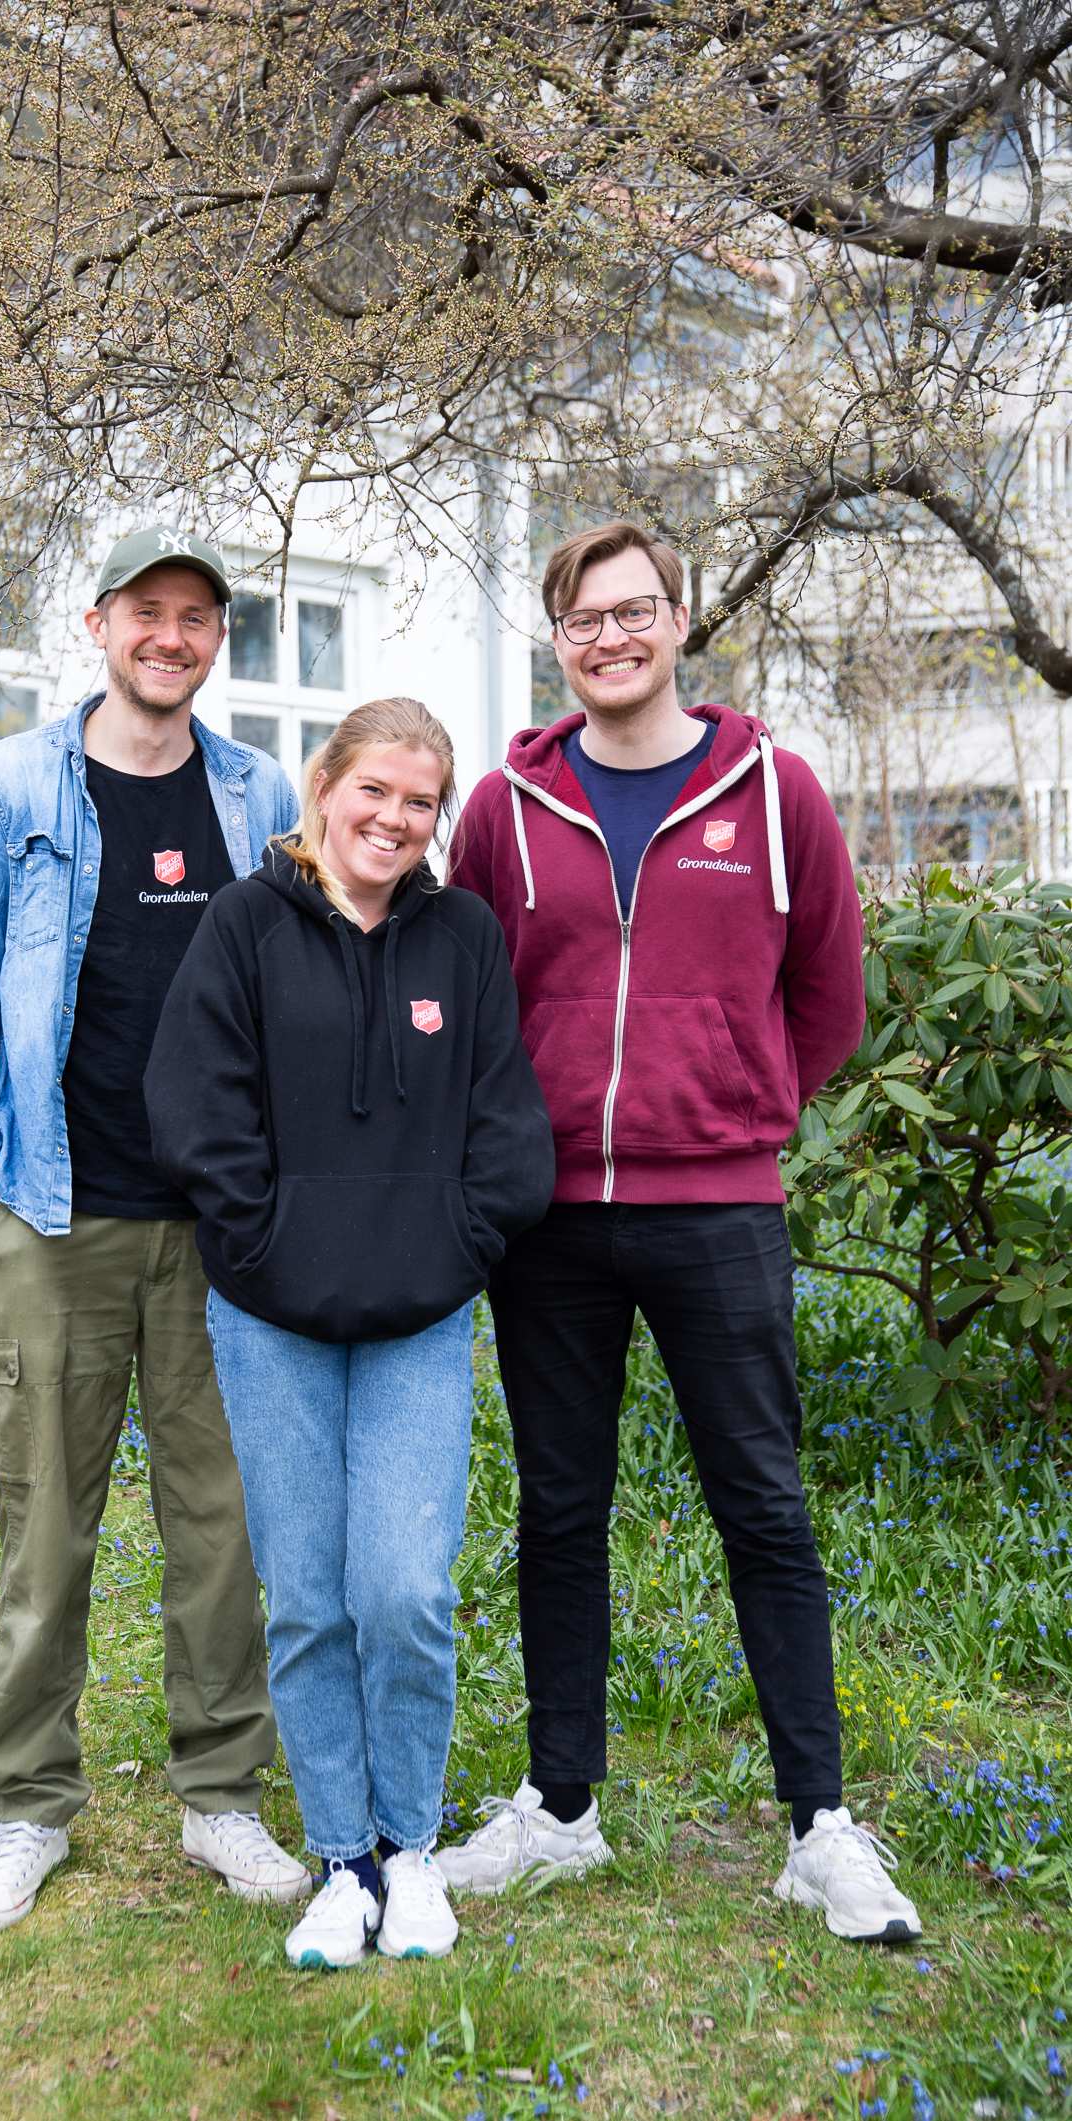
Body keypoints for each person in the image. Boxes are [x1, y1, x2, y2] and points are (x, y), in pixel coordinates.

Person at [441, 519, 922, 1945]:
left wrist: (740, 1101)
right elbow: (473, 995)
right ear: (556, 639)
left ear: (679, 619)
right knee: (560, 1512)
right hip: (550, 1228)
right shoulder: (504, 809)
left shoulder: (772, 792)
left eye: (634, 610)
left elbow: (826, 994)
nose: (611, 637)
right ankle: (560, 1810)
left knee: (761, 1510)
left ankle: (818, 1829)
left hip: (717, 1209)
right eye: (584, 619)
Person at [0, 526, 312, 1933]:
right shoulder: (10, 784)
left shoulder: (259, 791)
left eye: (197, 617)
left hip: (217, 1227)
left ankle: (222, 1799)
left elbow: (291, 1000)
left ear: (217, 640)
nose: (172, 636)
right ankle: (28, 1806)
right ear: (97, 625)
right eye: (147, 612)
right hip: (53, 1211)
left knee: (222, 1525)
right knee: (47, 1526)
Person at [144, 698, 555, 1968]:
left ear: (440, 819)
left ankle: (411, 1849)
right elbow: (193, 1107)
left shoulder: (463, 937)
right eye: (373, 790)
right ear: (324, 787)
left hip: (419, 1322)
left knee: (406, 1589)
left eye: (420, 801)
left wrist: (458, 1245)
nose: (393, 818)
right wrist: (263, 1245)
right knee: (310, 1597)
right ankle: (340, 1858)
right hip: (270, 1319)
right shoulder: (242, 925)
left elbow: (505, 1122)